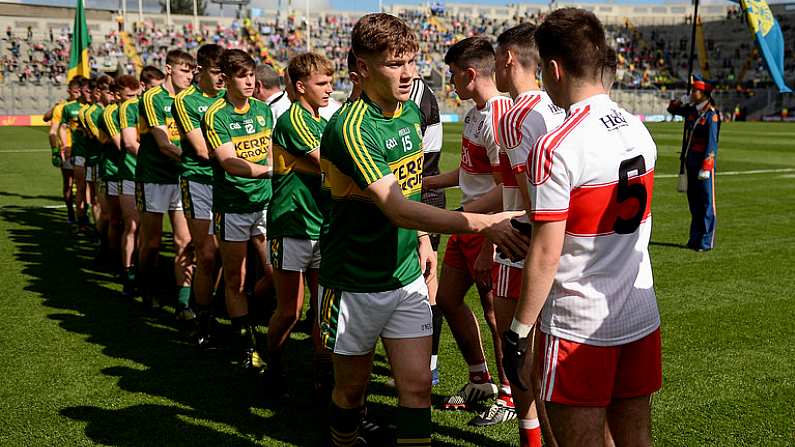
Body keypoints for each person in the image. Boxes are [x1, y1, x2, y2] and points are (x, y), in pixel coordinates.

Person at [319, 14, 526, 446]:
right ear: (361, 68)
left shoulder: (411, 111)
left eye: (411, 61)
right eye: (395, 64)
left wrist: (422, 243)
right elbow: (396, 206)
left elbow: (410, 190)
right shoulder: (350, 128)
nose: (409, 73)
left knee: (415, 388)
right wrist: (479, 222)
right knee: (351, 392)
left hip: (407, 277)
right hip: (354, 281)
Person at [503, 8, 661, 447]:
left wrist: (518, 331)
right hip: (639, 312)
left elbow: (546, 253)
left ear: (553, 69)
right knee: (636, 438)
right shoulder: (638, 130)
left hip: (577, 322)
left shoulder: (556, 145)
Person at [422, 36, 514, 422]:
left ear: (471, 74)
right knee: (447, 298)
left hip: (487, 227)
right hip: (467, 221)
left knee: (497, 313)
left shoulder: (498, 117)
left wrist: (485, 237)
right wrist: (427, 183)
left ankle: (510, 396)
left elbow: (505, 188)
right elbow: (469, 173)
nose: (451, 83)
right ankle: (481, 378)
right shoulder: (476, 113)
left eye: (454, 74)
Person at [488, 22, 566, 438]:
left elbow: (527, 199)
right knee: (552, 359)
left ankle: (532, 436)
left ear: (507, 60)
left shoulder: (515, 115)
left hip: (522, 245)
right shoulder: (560, 106)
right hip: (566, 245)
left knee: (516, 349)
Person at [265, 52, 333, 397]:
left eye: (330, 82)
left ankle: (323, 379)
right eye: (322, 83)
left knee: (324, 311)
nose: (329, 88)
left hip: (321, 226)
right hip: (291, 224)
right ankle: (271, 359)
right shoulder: (293, 121)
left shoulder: (322, 121)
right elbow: (327, 163)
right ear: (301, 85)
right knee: (290, 310)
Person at [203, 49, 274, 371]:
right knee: (236, 278)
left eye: (251, 75)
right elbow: (228, 161)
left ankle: (245, 315)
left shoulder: (263, 110)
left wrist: (273, 171)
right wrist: (268, 171)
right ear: (226, 79)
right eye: (242, 76)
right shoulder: (216, 114)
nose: (250, 82)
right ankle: (245, 341)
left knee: (275, 272)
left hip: (264, 203)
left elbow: (272, 151)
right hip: (232, 206)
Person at [173, 43, 226, 345]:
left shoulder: (230, 98)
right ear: (199, 70)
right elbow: (202, 150)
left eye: (225, 73)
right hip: (199, 182)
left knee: (225, 256)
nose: (222, 79)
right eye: (217, 72)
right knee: (206, 254)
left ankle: (214, 309)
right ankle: (202, 317)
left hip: (230, 183)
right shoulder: (186, 101)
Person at [136, 49, 195, 316]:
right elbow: (163, 144)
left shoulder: (189, 99)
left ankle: (183, 303)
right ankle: (147, 288)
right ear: (169, 69)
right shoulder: (152, 98)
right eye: (185, 70)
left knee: (184, 242)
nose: (190, 75)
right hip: (154, 177)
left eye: (193, 71)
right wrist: (202, 158)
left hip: (181, 176)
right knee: (152, 243)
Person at [119, 66, 166, 297]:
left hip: (169, 175)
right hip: (136, 174)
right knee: (135, 228)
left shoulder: (170, 101)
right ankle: (131, 273)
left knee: (179, 239)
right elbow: (129, 143)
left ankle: (166, 288)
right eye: (154, 87)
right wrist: (159, 154)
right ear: (143, 87)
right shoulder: (130, 108)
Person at [667, 76, 720, 252]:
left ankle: (705, 242)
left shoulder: (711, 115)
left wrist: (707, 166)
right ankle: (694, 238)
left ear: (704, 93)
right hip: (689, 162)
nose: (693, 93)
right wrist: (682, 99)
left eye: (696, 91)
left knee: (706, 202)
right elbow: (671, 109)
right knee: (694, 203)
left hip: (703, 165)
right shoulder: (692, 111)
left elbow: (712, 143)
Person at [60, 76, 92, 231]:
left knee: (93, 189)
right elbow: (62, 127)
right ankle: (82, 219)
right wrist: (65, 145)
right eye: (85, 91)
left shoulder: (98, 108)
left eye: (89, 90)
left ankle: (92, 218)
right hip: (79, 151)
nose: (88, 93)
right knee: (80, 186)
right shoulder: (69, 107)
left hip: (96, 153)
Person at [49, 77, 82, 223]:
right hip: (67, 150)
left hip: (83, 150)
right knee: (68, 183)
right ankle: (70, 213)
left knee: (83, 185)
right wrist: (56, 151)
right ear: (69, 91)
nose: (78, 94)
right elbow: (52, 131)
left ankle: (82, 215)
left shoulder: (88, 106)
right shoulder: (62, 107)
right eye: (75, 91)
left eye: (80, 91)